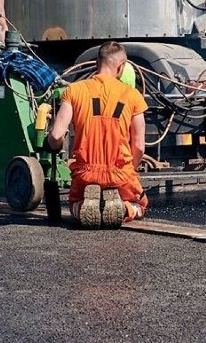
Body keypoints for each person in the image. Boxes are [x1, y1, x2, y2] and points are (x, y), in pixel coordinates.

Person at [46, 41, 149, 229]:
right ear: (121, 67)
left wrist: (53, 145)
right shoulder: (133, 95)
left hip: (86, 173)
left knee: (74, 204)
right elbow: (139, 146)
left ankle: (83, 205)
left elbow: (56, 135)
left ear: (96, 64)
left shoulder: (74, 91)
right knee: (141, 204)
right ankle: (126, 209)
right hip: (121, 173)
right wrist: (129, 170)